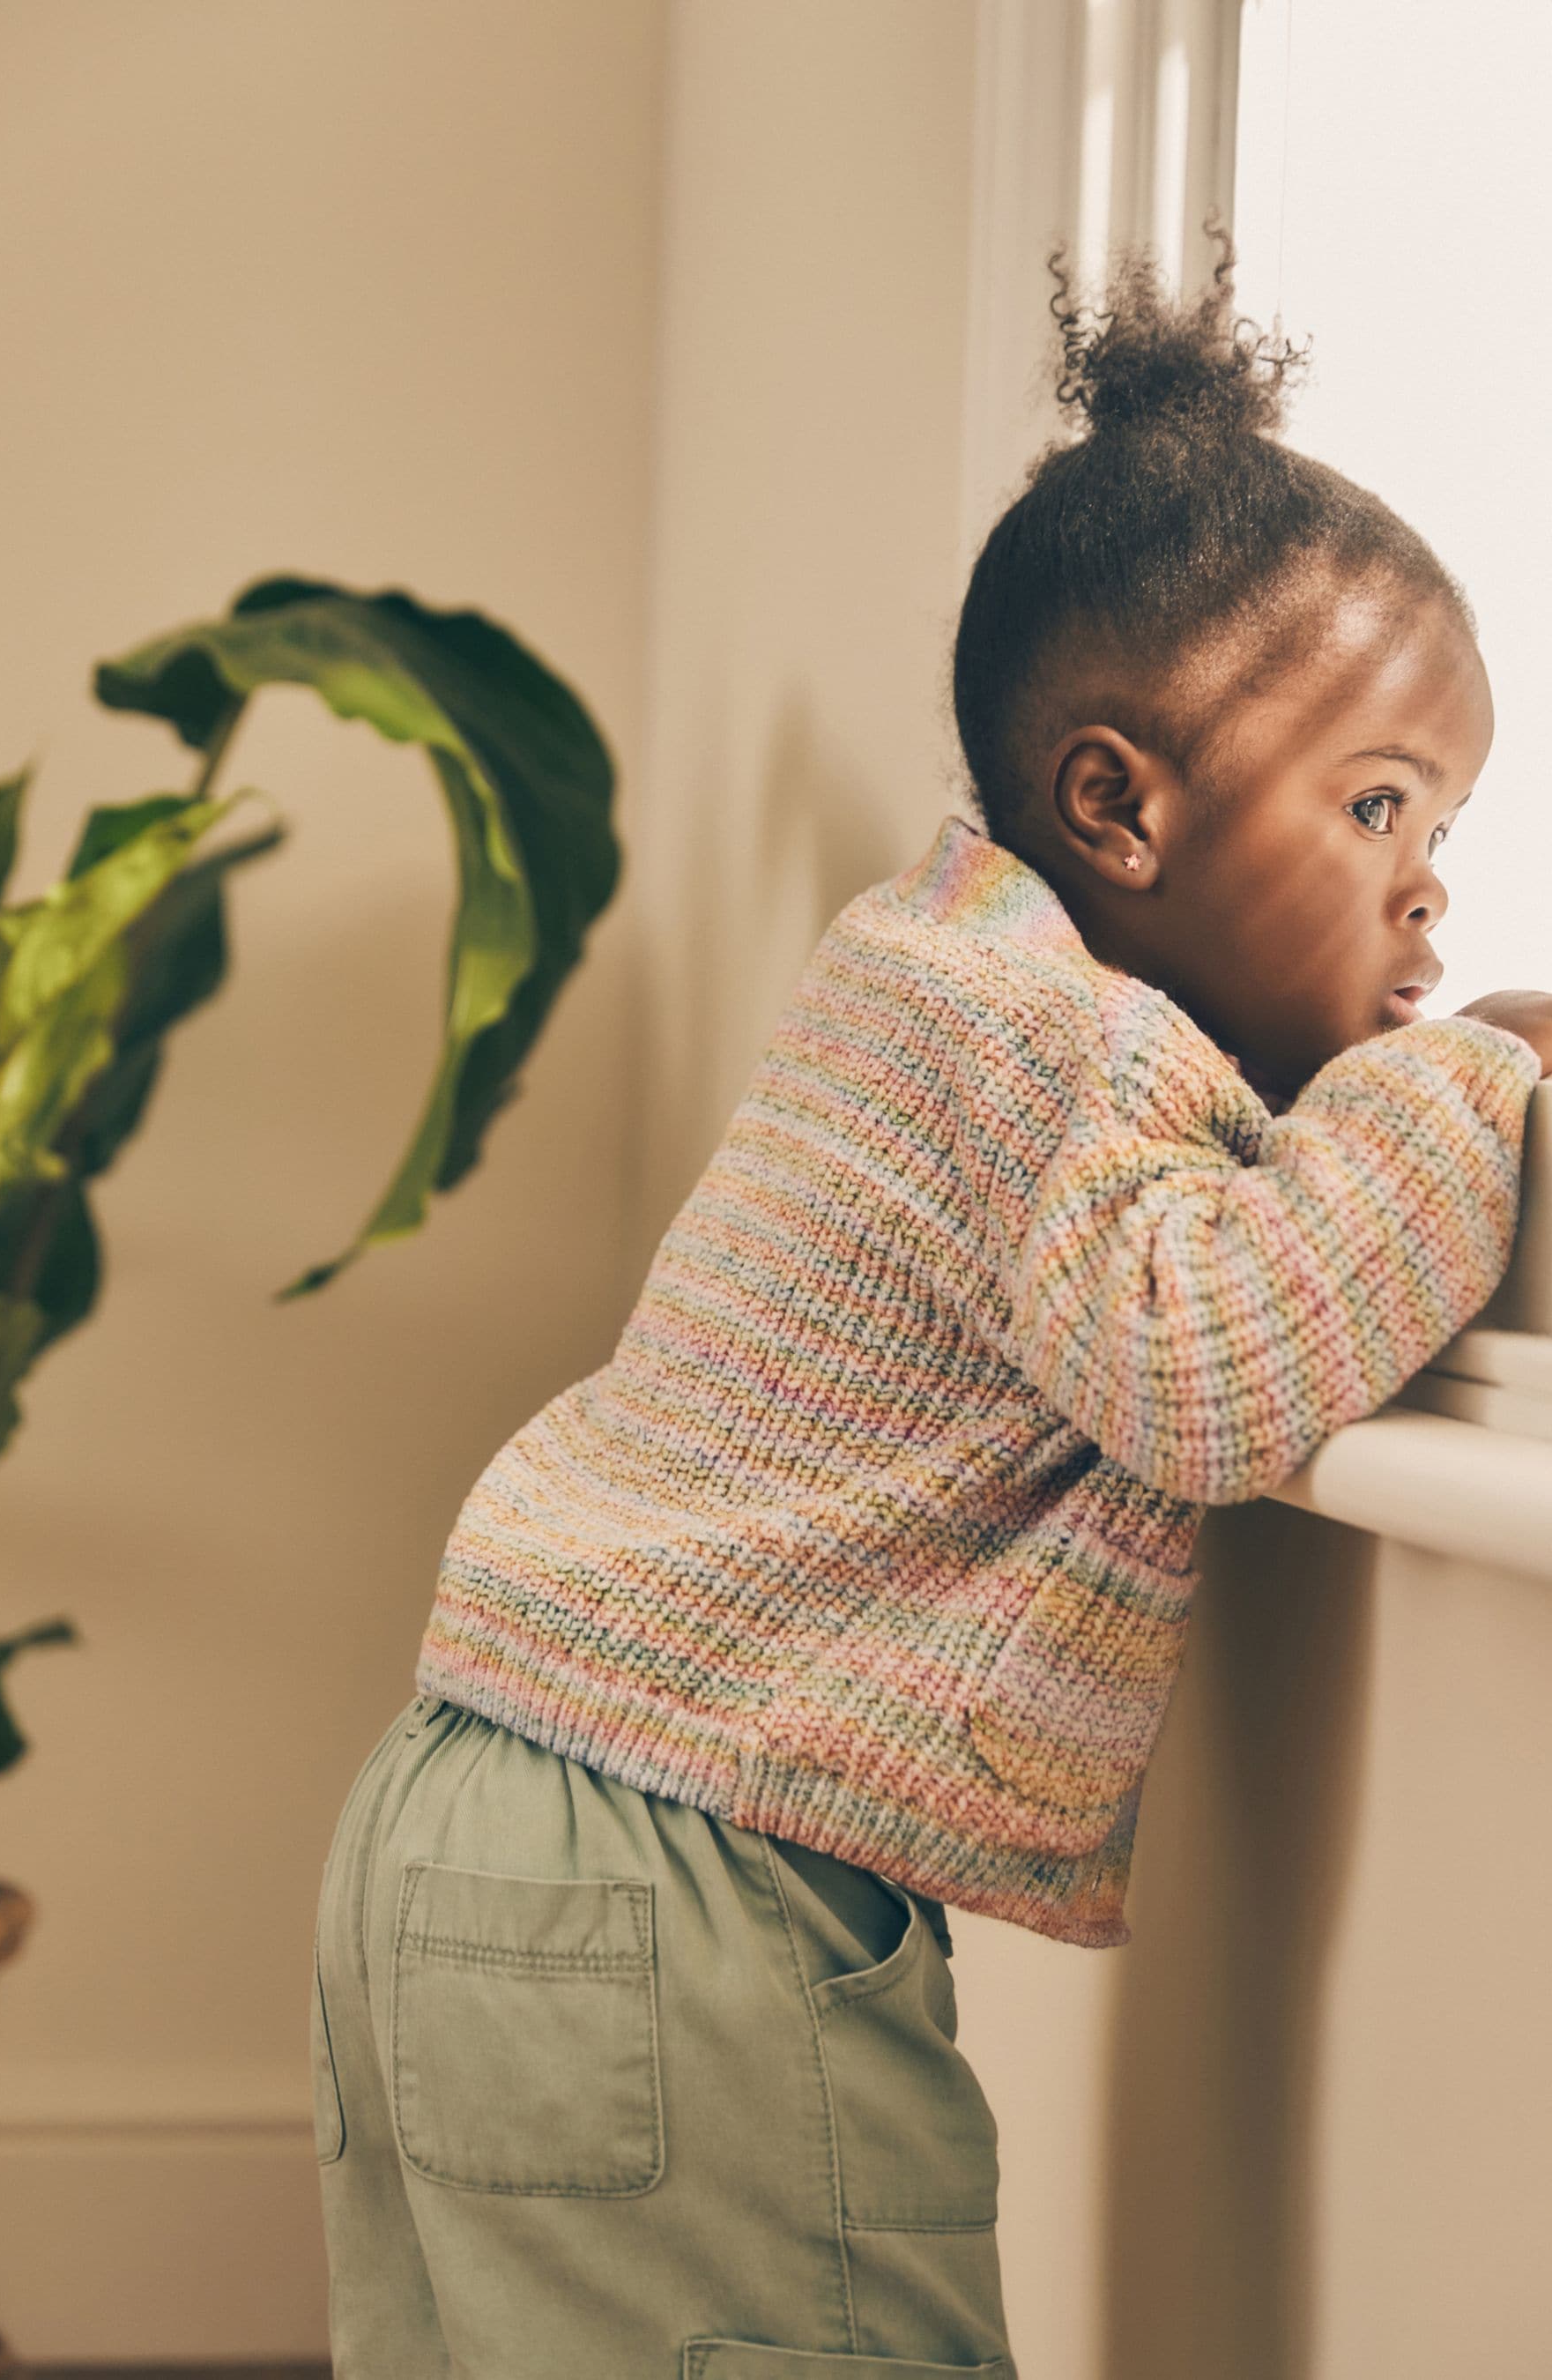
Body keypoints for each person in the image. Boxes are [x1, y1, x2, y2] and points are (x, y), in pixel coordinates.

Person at [308, 229, 1552, 2378]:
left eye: (1447, 826)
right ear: (1117, 808)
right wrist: (1478, 1073)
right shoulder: (1036, 1026)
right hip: (671, 1888)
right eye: (1377, 808)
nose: (1429, 880)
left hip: (477, 1821)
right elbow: (1218, 1358)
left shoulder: (935, 973)